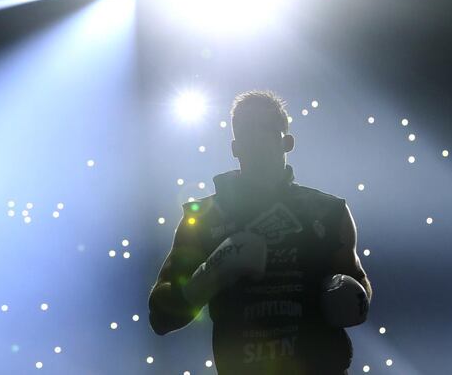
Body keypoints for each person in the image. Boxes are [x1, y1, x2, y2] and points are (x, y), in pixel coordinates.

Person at [148, 90, 372, 375]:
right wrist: (206, 277)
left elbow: (358, 281)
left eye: (265, 130)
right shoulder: (202, 218)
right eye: (246, 132)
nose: (255, 141)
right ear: (234, 147)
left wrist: (354, 298)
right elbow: (160, 318)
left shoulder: (328, 211)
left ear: (287, 142)